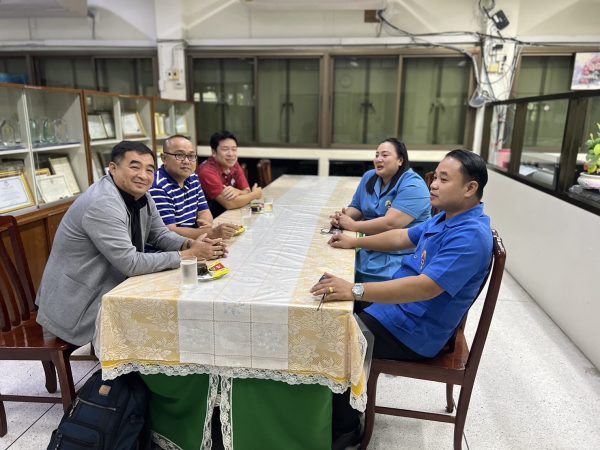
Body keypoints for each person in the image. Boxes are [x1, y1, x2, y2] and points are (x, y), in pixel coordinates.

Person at [310, 150, 493, 448]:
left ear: (470, 188)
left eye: (444, 179)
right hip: (400, 310)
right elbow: (401, 237)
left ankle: (346, 429)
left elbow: (425, 288)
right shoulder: (447, 217)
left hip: (414, 329)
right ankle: (330, 404)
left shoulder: (470, 236)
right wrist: (354, 242)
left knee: (335, 338)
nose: (433, 184)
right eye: (435, 177)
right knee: (325, 311)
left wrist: (355, 289)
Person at [35, 141, 227, 347]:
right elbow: (130, 263)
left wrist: (190, 244)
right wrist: (189, 255)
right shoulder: (103, 203)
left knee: (180, 309)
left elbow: (160, 234)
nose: (143, 175)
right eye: (135, 167)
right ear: (113, 168)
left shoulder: (142, 196)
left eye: (149, 170)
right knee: (162, 326)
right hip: (77, 303)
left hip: (111, 287)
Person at [330, 138, 430, 283]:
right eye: (377, 155)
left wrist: (353, 225)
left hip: (399, 259)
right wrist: (342, 218)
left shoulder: (414, 186)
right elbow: (358, 207)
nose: (378, 159)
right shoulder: (369, 177)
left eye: (385, 155)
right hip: (368, 250)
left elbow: (390, 224)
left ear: (400, 160)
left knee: (345, 281)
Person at [149, 135, 238, 245]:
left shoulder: (193, 178)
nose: (186, 161)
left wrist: (206, 225)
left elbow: (204, 211)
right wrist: (210, 233)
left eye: (191, 156)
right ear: (164, 158)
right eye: (179, 155)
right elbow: (168, 232)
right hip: (168, 248)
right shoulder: (158, 186)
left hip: (192, 240)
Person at [197, 130, 262, 217]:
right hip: (211, 219)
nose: (231, 154)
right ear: (214, 152)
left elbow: (247, 190)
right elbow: (230, 203)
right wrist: (255, 194)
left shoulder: (233, 163)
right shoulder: (206, 171)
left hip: (228, 214)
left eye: (234, 149)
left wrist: (238, 191)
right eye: (225, 149)